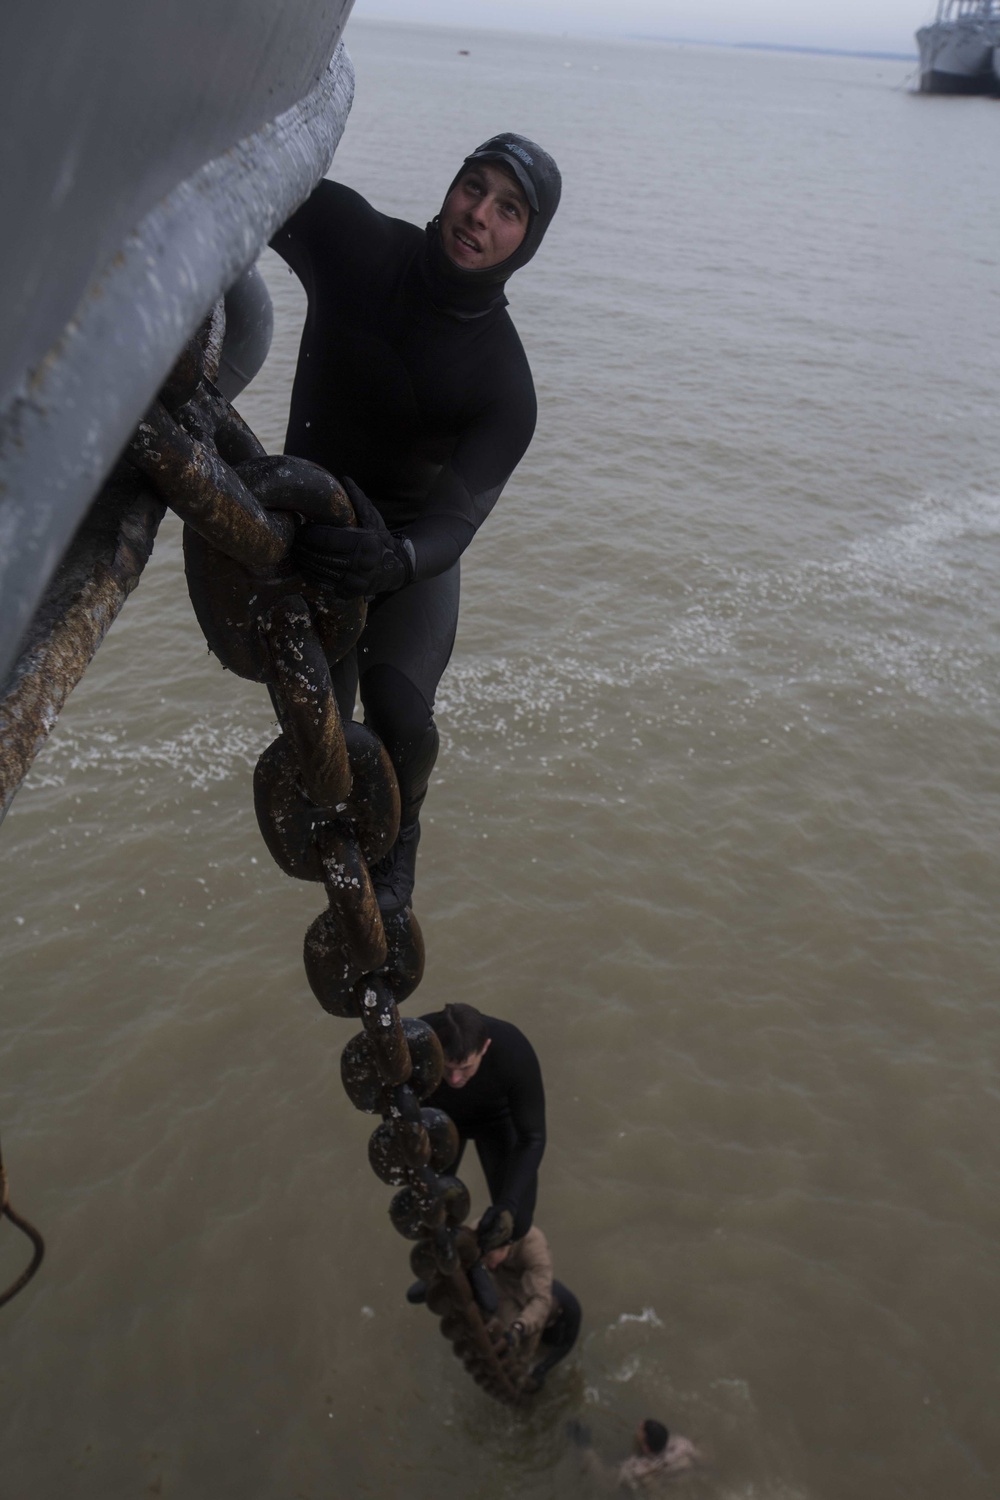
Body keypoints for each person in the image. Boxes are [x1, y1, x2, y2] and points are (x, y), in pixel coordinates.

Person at [270, 134, 561, 914]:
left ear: (526, 241)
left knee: (399, 714)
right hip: (305, 533)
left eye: (509, 209)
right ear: (451, 188)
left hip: (401, 555)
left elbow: (456, 521)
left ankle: (402, 837)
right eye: (474, 187)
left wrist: (395, 561)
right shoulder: (355, 242)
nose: (480, 215)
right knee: (320, 731)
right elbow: (242, 187)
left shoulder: (504, 382)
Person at [423, 1002, 545, 1247]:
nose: (455, 1078)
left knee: (517, 1223)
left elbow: (532, 1138)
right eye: (447, 1067)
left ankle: (492, 1252)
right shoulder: (418, 1041)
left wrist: (507, 1205)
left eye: (465, 1068)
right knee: (428, 1215)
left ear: (485, 1048)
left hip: (496, 1121)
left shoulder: (513, 1049)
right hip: (438, 1121)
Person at [479, 1221, 581, 1389]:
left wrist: (541, 1370)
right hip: (525, 1299)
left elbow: (565, 1347)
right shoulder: (486, 1237)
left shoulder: (571, 1313)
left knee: (536, 1366)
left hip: (551, 1330)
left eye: (490, 1258)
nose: (488, 1264)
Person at [568, 1417, 702, 1491]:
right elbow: (702, 1459)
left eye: (641, 1429)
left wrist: (585, 1447)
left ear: (646, 1449)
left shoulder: (635, 1469)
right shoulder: (683, 1445)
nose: (640, 1424)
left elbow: (605, 1482)